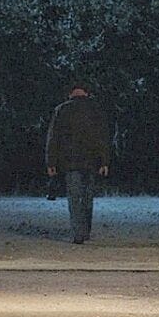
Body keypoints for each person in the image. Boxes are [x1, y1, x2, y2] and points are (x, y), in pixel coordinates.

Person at [45, 83, 111, 244]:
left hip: (70, 162)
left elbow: (53, 138)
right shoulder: (96, 110)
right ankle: (86, 230)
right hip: (92, 162)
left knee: (74, 198)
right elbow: (103, 137)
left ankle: (78, 233)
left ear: (70, 93)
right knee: (87, 198)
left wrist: (51, 162)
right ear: (86, 93)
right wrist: (104, 161)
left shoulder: (61, 110)